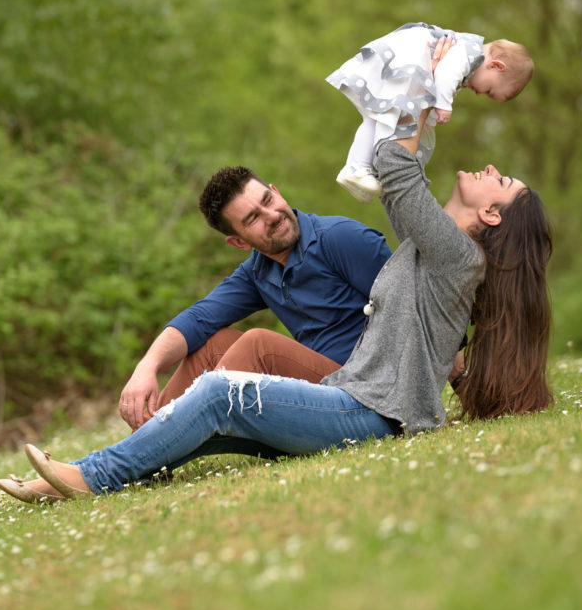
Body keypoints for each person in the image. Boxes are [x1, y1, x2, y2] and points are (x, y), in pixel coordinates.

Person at [0, 54, 553, 504]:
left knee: (220, 389)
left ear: (492, 216)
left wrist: (426, 81)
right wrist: (425, 100)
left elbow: (396, 169)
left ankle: (91, 476)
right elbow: (402, 179)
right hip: (348, 402)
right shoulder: (436, 249)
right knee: (211, 411)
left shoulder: (457, 257)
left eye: (498, 180)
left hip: (377, 416)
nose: (487, 169)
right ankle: (78, 479)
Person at [118, 165, 391, 432]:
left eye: (268, 200)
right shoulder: (258, 272)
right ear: (239, 242)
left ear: (276, 191)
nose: (271, 215)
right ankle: (141, 451)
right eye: (253, 219)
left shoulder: (341, 238)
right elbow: (199, 318)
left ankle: (138, 454)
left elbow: (412, 306)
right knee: (213, 345)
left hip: (369, 400)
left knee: (259, 344)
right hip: (322, 396)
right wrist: (147, 367)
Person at [327, 21, 534, 203]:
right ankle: (367, 168)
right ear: (496, 65)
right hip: (411, 56)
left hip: (407, 53)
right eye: (489, 91)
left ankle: (356, 168)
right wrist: (443, 104)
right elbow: (446, 72)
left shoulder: (469, 56)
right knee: (387, 118)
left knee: (377, 117)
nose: (480, 94)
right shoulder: (469, 53)